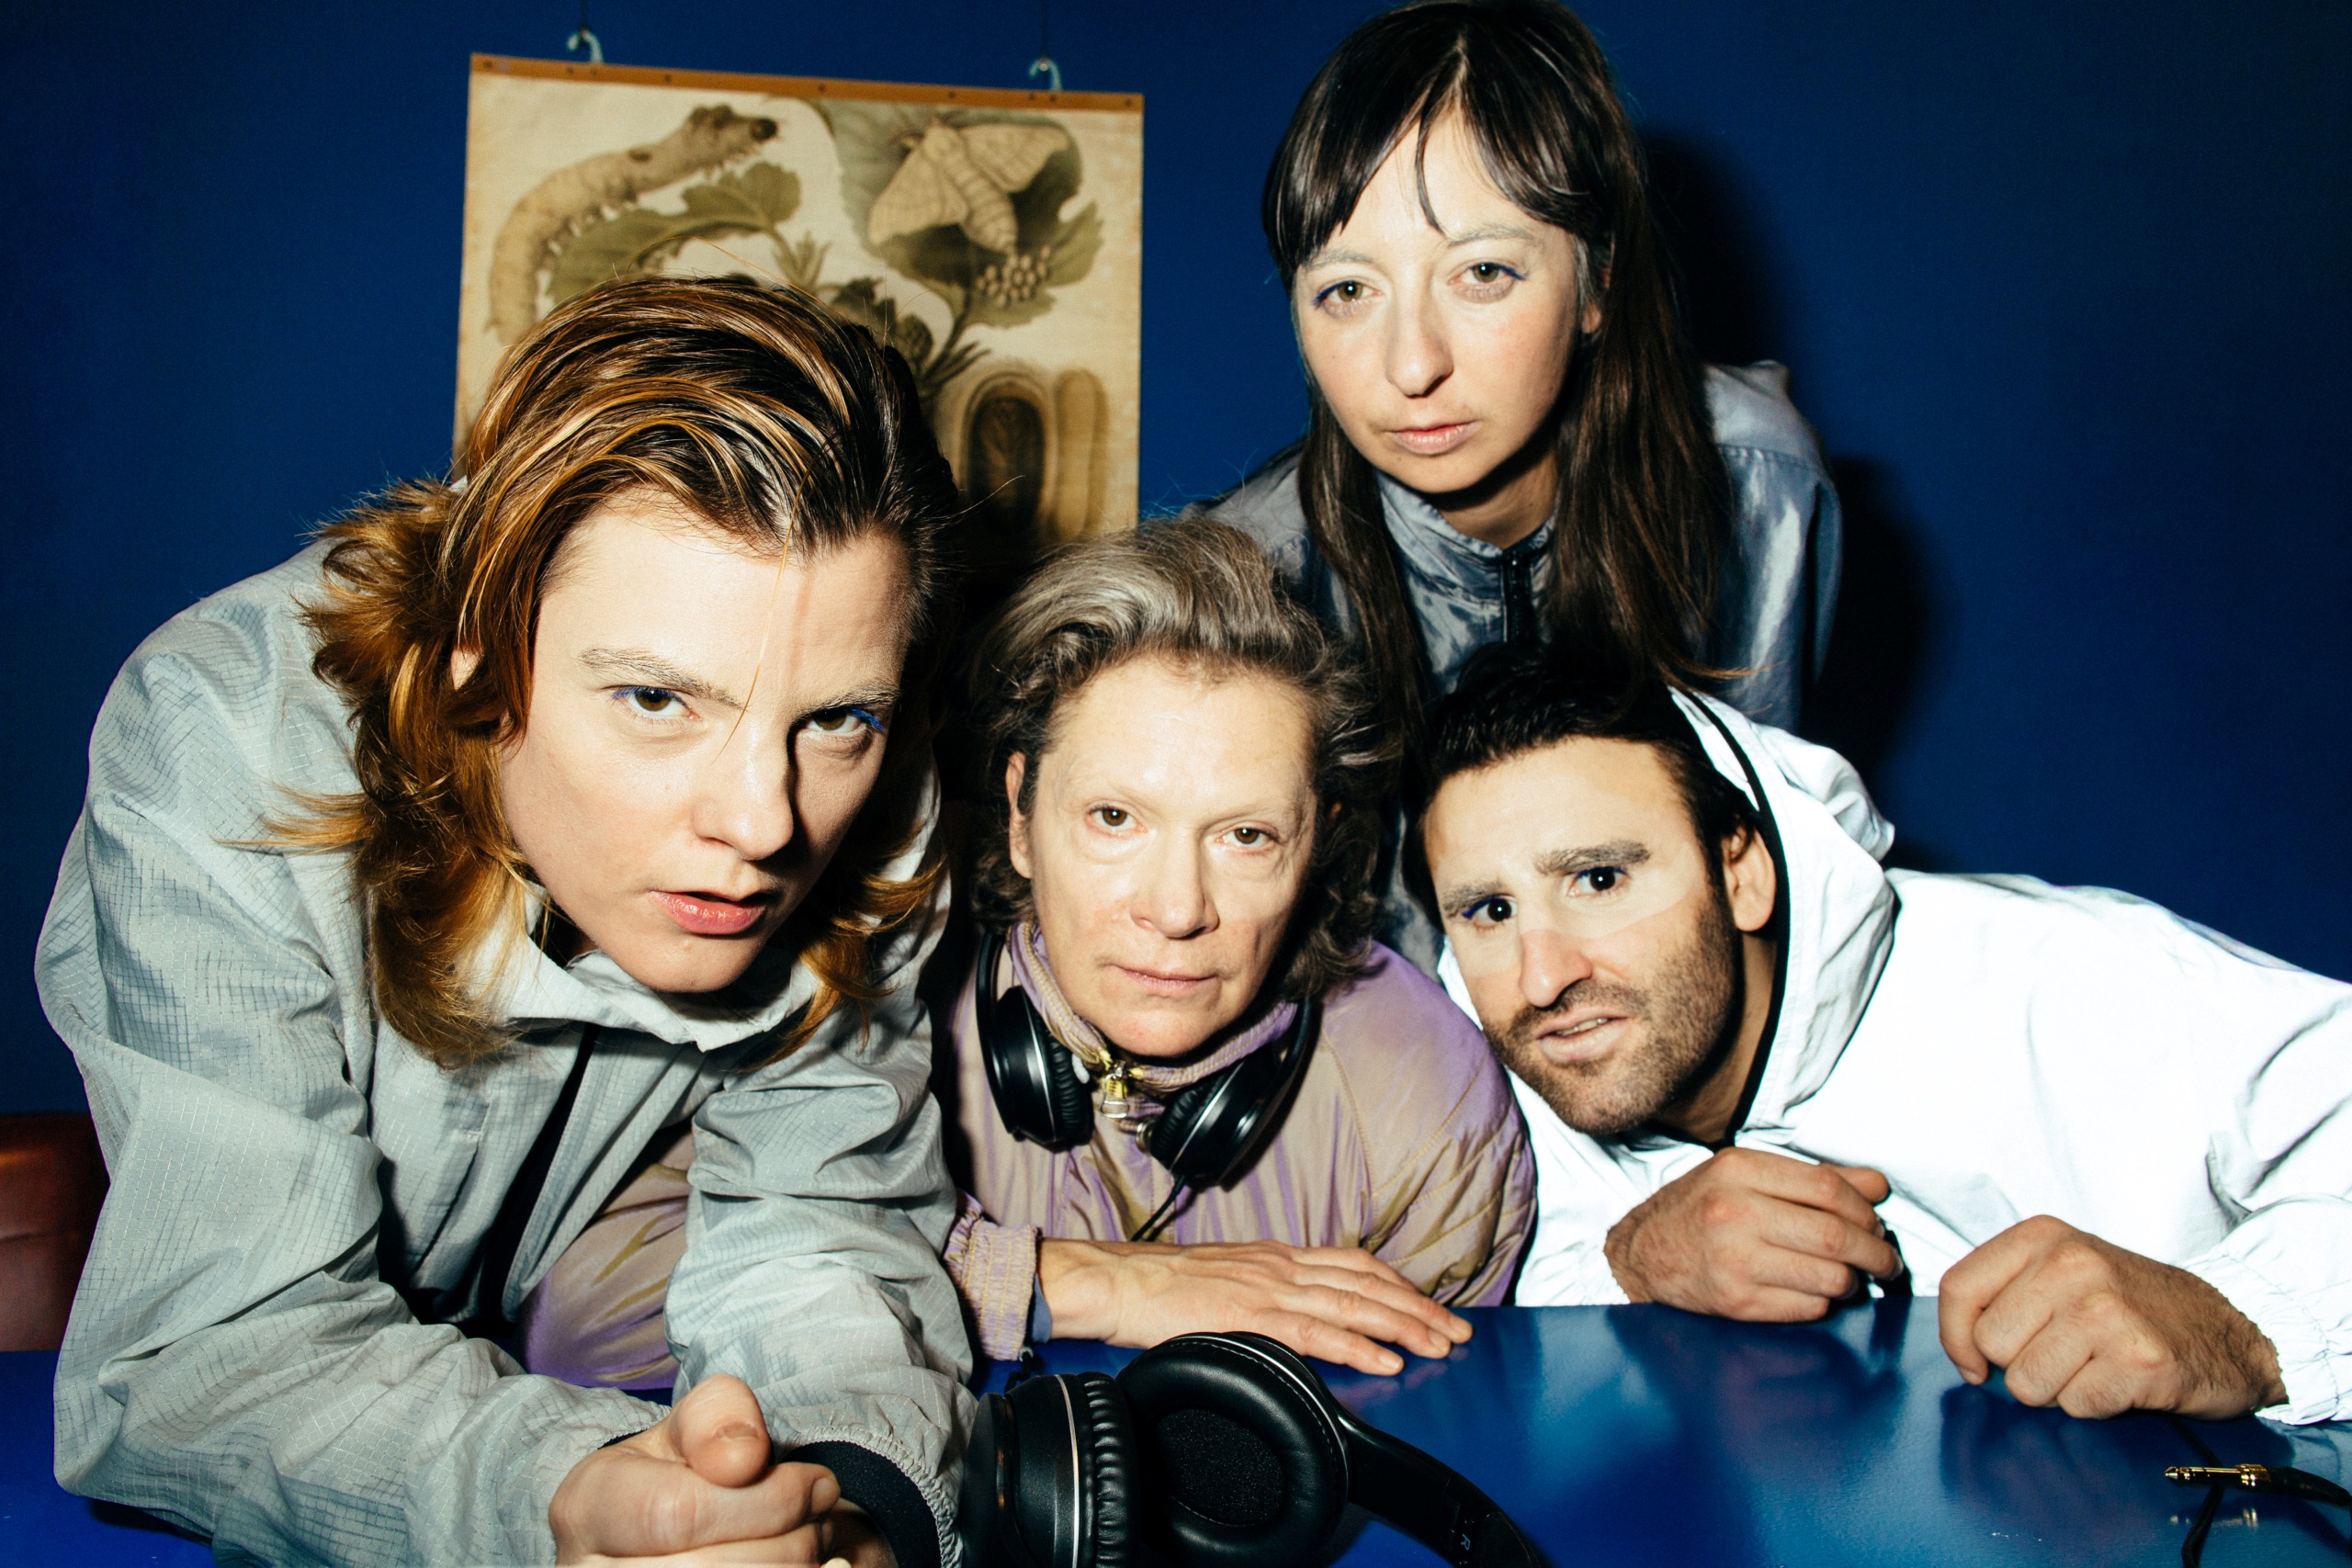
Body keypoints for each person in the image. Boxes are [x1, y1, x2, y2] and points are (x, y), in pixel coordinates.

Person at [36, 276, 975, 1566]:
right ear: (475, 649)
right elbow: (213, 1349)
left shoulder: (873, 802)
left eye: (837, 718)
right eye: (657, 699)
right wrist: (559, 1495)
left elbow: (820, 1227)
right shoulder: (227, 732)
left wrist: (837, 1499)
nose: (765, 821)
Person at [526, 520, 1533, 1385]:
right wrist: (1058, 1279)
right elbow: (588, 1324)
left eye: (1246, 836)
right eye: (1113, 818)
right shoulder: (858, 985)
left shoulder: (1421, 1091)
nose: (1176, 910)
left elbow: (1440, 1444)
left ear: (1319, 847)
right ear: (1018, 814)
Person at [1413, 645, 2352, 1424]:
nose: (1542, 978)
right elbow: (1441, 1318)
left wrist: (2243, 1322)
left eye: (1599, 879)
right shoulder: (1468, 1087)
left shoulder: (2069, 980)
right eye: (1489, 910)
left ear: (1742, 873)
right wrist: (1627, 1264)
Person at [1199, 0, 1842, 970]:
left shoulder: (1752, 484)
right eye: (1347, 290)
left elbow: (1758, 860)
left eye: (1483, 273)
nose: (1412, 364)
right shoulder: (1253, 575)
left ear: (1597, 284)